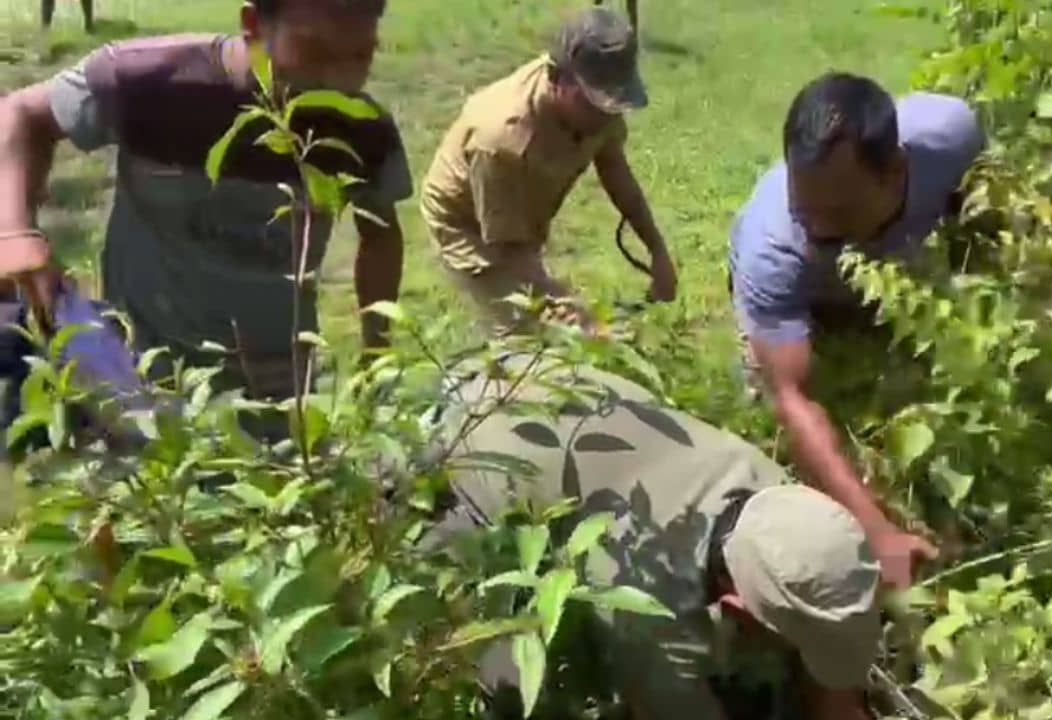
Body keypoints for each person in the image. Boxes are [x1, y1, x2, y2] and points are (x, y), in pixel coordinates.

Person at [425, 355, 892, 720]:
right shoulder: (646, 603)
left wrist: (839, 699)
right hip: (452, 439)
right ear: (734, 609)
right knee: (509, 678)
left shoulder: (779, 501)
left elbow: (832, 626)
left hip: (538, 377)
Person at [0, 0, 412, 413]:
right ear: (253, 25)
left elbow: (379, 233)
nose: (337, 80)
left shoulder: (361, 128)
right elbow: (21, 113)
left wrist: (375, 353)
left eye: (361, 56)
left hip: (277, 389)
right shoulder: (149, 81)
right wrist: (15, 231)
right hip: (141, 374)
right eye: (314, 51)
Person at [726, 72, 986, 587]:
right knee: (783, 426)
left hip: (889, 279)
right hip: (803, 299)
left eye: (839, 212)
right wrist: (877, 533)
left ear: (896, 172)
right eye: (807, 212)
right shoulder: (773, 249)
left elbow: (983, 219)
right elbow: (793, 399)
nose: (820, 230)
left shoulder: (951, 137)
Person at [419, 7, 678, 335]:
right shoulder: (502, 140)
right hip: (467, 224)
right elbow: (508, 249)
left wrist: (657, 251)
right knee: (526, 329)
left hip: (522, 205)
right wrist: (571, 310)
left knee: (557, 317)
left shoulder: (598, 106)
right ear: (557, 79)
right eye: (596, 104)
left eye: (615, 103)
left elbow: (614, 168)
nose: (606, 117)